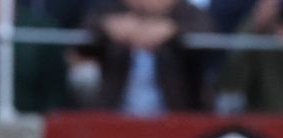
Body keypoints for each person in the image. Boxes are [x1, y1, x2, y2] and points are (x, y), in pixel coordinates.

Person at [71, 0, 209, 112]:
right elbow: (81, 39)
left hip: (174, 115)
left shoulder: (186, 13)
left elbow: (209, 34)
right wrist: (107, 26)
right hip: (116, 115)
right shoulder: (110, 10)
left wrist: (173, 30)